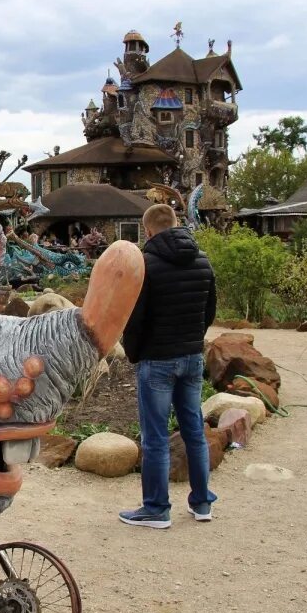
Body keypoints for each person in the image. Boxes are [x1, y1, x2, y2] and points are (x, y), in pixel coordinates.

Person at [119, 204, 217, 528]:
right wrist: (192, 340)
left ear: (147, 231)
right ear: (176, 224)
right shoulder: (203, 261)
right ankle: (202, 502)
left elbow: (135, 319)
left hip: (157, 360)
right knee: (194, 431)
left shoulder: (146, 266)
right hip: (191, 357)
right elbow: (209, 310)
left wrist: (134, 353)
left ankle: (157, 508)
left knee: (156, 437)